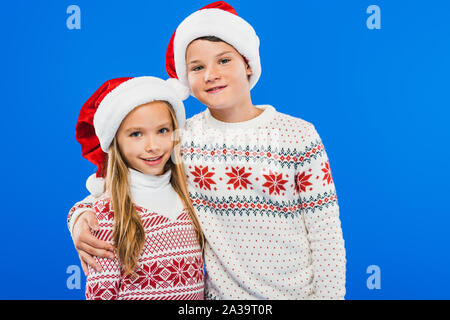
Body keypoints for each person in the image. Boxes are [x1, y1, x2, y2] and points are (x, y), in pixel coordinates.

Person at [68, 1, 346, 299]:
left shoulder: (298, 136)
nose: (211, 74)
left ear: (248, 63)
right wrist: (80, 216)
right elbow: (128, 184)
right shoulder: (180, 138)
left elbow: (325, 234)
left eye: (224, 60)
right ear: (186, 78)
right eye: (197, 67)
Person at [74, 76, 204, 300]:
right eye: (136, 134)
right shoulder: (107, 214)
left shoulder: (190, 195)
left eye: (162, 130)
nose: (152, 146)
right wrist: (78, 215)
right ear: (115, 142)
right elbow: (101, 295)